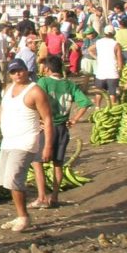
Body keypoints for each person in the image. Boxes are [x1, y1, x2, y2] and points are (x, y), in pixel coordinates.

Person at [0, 59, 54, 233]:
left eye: (20, 70)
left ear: (27, 71)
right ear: (9, 74)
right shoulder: (8, 89)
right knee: (6, 180)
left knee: (13, 178)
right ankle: (20, 215)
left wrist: (47, 145)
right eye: (13, 72)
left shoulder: (35, 91)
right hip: (8, 140)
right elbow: (2, 112)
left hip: (26, 141)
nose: (17, 74)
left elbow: (47, 119)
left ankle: (24, 217)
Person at [31, 54, 91, 207]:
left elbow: (35, 101)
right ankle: (55, 197)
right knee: (58, 164)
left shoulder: (43, 82)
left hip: (47, 127)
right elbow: (84, 103)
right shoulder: (70, 85)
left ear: (48, 69)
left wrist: (38, 120)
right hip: (62, 128)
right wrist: (75, 119)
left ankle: (41, 197)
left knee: (37, 162)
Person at [89, 24, 124, 106]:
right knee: (112, 92)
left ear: (104, 33)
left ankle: (97, 107)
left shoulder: (99, 42)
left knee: (99, 92)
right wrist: (120, 69)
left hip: (101, 71)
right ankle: (113, 108)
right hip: (112, 71)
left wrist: (96, 57)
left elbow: (90, 49)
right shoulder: (116, 44)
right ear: (114, 33)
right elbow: (119, 60)